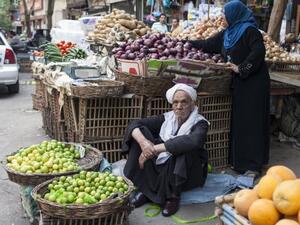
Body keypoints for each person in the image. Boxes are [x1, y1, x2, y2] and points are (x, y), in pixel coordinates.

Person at [189, 0, 270, 178]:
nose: (221, 17)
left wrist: (241, 68)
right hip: (240, 83)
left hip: (255, 82)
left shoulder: (250, 31)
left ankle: (253, 166)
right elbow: (209, 44)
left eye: (224, 14)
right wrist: (187, 42)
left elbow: (258, 53)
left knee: (251, 123)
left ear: (234, 15)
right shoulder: (227, 33)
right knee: (241, 122)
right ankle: (240, 162)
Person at [122, 83, 209, 217]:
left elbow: (193, 141)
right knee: (140, 132)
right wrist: (144, 143)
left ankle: (173, 196)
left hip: (187, 171)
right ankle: (147, 191)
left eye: (184, 102)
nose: (179, 106)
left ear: (192, 104)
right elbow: (134, 124)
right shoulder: (167, 118)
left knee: (184, 148)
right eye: (175, 102)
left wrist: (155, 149)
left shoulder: (200, 123)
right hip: (164, 163)